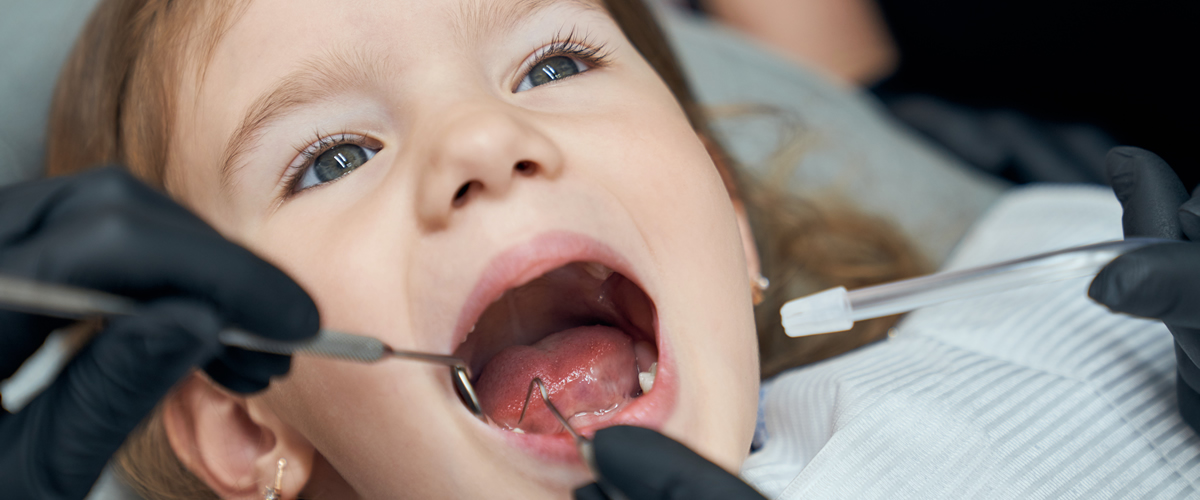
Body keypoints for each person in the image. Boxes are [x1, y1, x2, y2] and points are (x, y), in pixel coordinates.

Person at [0, 1, 1196, 500]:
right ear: (248, 415)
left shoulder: (1047, 287)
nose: (482, 137)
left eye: (555, 64)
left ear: (730, 229)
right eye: (330, 156)